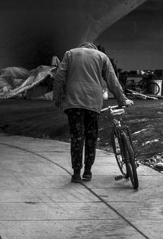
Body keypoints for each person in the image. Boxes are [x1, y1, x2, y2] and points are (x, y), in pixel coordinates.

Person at [52, 42, 132, 183]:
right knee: (91, 136)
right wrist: (122, 100)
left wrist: (57, 98)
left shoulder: (70, 53)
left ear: (81, 47)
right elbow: (112, 81)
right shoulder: (102, 56)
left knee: (77, 137)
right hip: (93, 103)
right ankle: (88, 172)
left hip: (74, 102)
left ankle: (76, 173)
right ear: (93, 49)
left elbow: (59, 76)